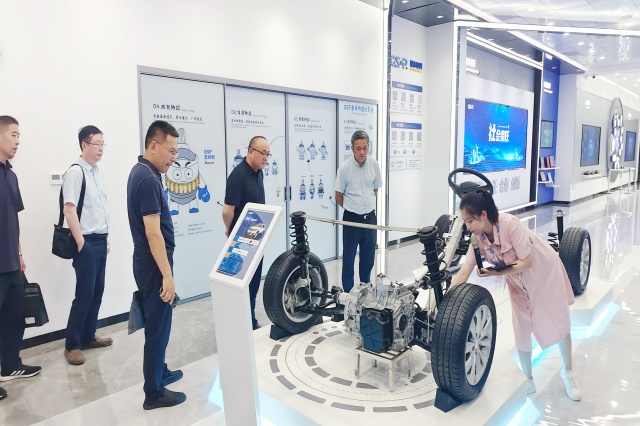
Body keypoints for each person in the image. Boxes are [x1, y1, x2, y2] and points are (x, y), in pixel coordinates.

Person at [450, 189, 582, 401]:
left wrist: (496, 273)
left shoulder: (509, 224)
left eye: (470, 221)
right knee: (522, 328)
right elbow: (465, 270)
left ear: (483, 215)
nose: (468, 226)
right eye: (465, 222)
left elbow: (526, 262)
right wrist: (446, 299)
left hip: (543, 273)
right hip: (517, 282)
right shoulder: (477, 239)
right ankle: (528, 378)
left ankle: (568, 372)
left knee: (559, 321)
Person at [127, 120, 185, 410]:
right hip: (153, 263)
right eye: (171, 151)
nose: (174, 158)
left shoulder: (142, 172)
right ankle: (153, 392)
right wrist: (167, 276)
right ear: (153, 145)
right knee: (157, 327)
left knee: (159, 321)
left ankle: (159, 371)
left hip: (148, 260)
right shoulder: (148, 179)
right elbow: (153, 233)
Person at [62, 125, 112, 366]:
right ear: (84, 145)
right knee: (84, 294)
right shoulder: (75, 172)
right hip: (86, 242)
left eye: (103, 144)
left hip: (100, 240)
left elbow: (98, 209)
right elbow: (69, 210)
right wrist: (81, 242)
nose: (101, 148)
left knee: (97, 291)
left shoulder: (96, 172)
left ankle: (88, 336)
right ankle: (72, 345)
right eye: (97, 144)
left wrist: (105, 237)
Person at [0, 116, 41, 400]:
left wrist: (19, 252)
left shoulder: (11, 175)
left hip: (11, 263)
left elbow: (12, 218)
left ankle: (10, 365)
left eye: (19, 135)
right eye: (13, 135)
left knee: (15, 317)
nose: (18, 141)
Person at [222, 136, 267, 330]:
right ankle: (242, 324)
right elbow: (227, 211)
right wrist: (230, 230)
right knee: (243, 284)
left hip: (256, 238)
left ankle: (250, 320)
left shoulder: (259, 173)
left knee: (254, 283)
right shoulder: (238, 175)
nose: (266, 158)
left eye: (268, 154)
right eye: (262, 153)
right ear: (250, 152)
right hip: (242, 241)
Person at [335, 130, 382, 292]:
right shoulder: (344, 168)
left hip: (370, 219)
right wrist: (353, 208)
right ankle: (348, 294)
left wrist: (365, 206)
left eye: (365, 148)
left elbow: (375, 188)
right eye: (358, 148)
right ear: (352, 149)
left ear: (368, 147)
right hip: (351, 219)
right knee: (348, 259)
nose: (362, 152)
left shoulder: (374, 165)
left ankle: (365, 289)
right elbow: (339, 195)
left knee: (368, 259)